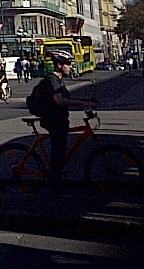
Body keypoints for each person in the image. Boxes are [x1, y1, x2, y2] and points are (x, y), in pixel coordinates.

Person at [35, 49, 99, 193]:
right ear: (59, 65)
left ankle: (56, 178)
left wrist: (86, 100)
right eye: (69, 64)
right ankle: (55, 185)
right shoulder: (52, 80)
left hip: (60, 120)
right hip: (53, 120)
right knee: (58, 153)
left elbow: (67, 98)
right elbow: (59, 100)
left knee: (60, 152)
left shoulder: (58, 81)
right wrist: (83, 104)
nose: (71, 67)